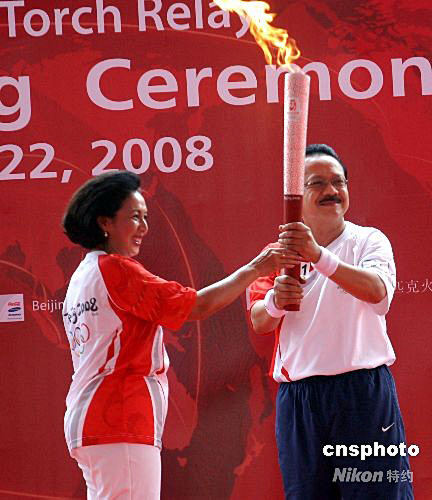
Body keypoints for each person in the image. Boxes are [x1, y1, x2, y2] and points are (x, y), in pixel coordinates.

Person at [61, 171, 296, 499]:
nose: (144, 228)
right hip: (120, 418)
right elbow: (197, 305)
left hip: (92, 420)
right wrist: (257, 268)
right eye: (134, 217)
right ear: (105, 222)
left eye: (145, 217)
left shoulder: (82, 276)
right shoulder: (115, 269)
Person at [248, 144, 413, 499]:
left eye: (338, 182)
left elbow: (377, 292)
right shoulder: (279, 254)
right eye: (318, 183)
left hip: (362, 396)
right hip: (302, 402)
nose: (331, 191)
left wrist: (318, 257)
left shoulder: (368, 241)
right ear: (297, 195)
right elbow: (259, 319)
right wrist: (276, 300)